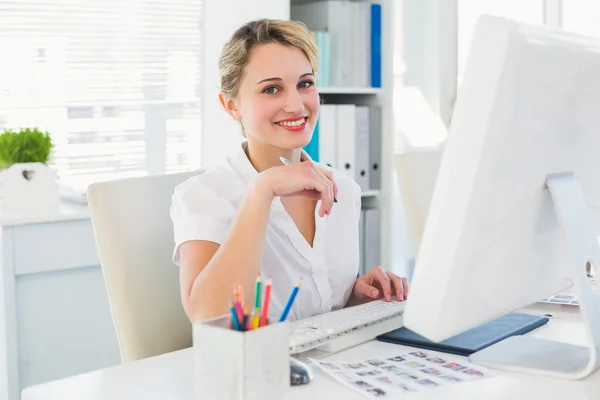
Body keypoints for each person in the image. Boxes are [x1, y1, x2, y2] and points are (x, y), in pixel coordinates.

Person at [170, 18, 409, 323]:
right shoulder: (204, 195)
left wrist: (357, 299)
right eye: (271, 89)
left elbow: (315, 316)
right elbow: (209, 317)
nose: (296, 105)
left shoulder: (343, 190)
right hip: (254, 368)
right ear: (231, 105)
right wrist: (263, 189)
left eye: (305, 84)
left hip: (327, 368)